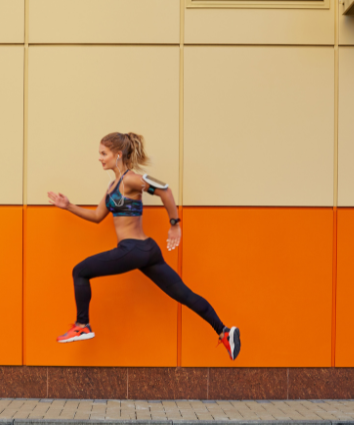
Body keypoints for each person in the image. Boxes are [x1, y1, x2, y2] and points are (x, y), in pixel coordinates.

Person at [46, 131, 241, 360]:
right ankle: (224, 331)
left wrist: (174, 224)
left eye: (103, 153)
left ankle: (82, 325)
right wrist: (68, 206)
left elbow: (165, 190)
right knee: (183, 294)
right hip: (147, 252)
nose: (100, 158)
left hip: (134, 249)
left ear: (118, 155)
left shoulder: (130, 179)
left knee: (80, 271)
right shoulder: (112, 187)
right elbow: (98, 216)